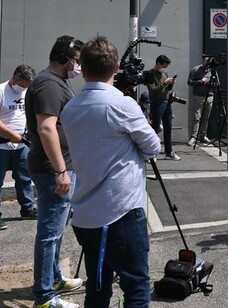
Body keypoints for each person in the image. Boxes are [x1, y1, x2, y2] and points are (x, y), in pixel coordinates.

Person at [62, 36, 161, 308]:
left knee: (97, 285)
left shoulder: (70, 108)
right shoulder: (122, 104)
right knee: (136, 287)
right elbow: (153, 147)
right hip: (121, 212)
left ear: (82, 68)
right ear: (117, 67)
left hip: (85, 214)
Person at [25, 35, 85, 308]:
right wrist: (61, 170)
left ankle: (53, 279)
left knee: (57, 231)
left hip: (61, 167)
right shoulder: (48, 84)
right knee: (49, 234)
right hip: (53, 170)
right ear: (64, 58)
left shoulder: (56, 82)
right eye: (77, 60)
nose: (78, 66)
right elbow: (46, 127)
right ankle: (45, 297)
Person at [0, 64, 38, 231]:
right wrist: (10, 134)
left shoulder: (27, 92)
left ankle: (27, 208)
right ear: (14, 78)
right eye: (22, 84)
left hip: (21, 143)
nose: (24, 88)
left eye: (27, 86)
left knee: (24, 178)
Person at [144, 54, 181, 160]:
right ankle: (150, 153)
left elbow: (167, 89)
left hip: (166, 102)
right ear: (158, 64)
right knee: (155, 127)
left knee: (168, 127)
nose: (165, 68)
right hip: (157, 102)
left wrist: (171, 83)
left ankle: (169, 152)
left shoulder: (165, 73)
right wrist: (165, 83)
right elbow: (152, 90)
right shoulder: (151, 74)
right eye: (164, 66)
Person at [186, 55, 214, 146]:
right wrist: (200, 81)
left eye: (209, 62)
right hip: (198, 96)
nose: (207, 63)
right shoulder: (195, 69)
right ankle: (194, 137)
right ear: (203, 61)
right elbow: (189, 82)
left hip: (209, 96)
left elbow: (217, 83)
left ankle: (203, 136)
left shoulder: (212, 71)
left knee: (206, 118)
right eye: (206, 61)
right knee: (196, 117)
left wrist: (210, 82)